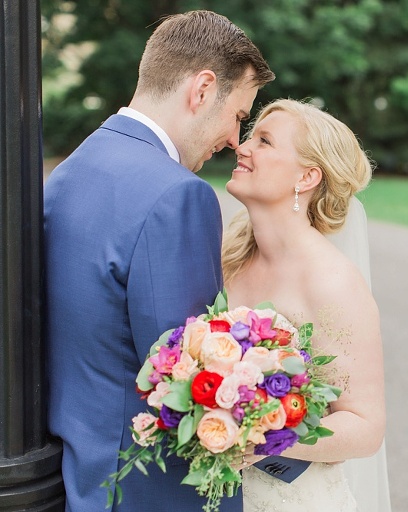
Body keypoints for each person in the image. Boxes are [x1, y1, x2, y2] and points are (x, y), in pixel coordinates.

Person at [43, 11, 274, 511]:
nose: (236, 141)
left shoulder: (70, 170)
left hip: (82, 474)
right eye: (238, 116)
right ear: (203, 89)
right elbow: (188, 386)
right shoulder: (177, 197)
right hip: (145, 490)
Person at [221, 99, 387, 511]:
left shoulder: (332, 281)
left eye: (264, 141)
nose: (242, 147)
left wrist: (269, 438)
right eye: (249, 137)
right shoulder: (229, 257)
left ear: (307, 177)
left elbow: (365, 426)